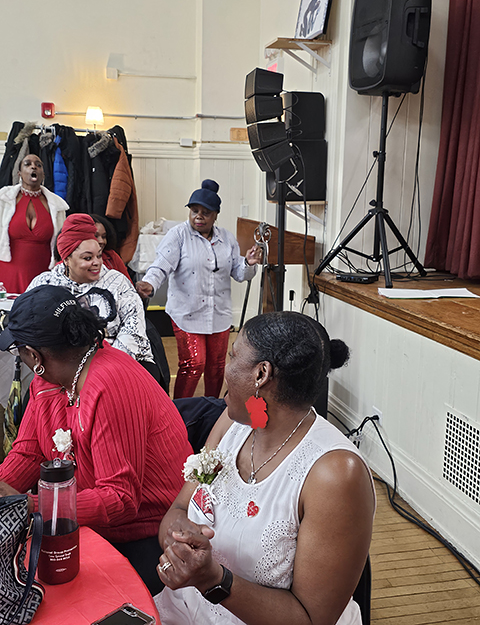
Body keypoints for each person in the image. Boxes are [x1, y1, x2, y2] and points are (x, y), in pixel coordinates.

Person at [155, 311, 375, 625]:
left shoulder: (335, 474)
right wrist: (179, 543)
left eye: (232, 356)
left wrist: (214, 580)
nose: (225, 367)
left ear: (261, 374)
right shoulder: (233, 422)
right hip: (182, 610)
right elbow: (179, 508)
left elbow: (312, 619)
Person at [0, 285, 192, 595]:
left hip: (149, 532)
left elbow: (120, 499)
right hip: (87, 520)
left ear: (34, 355)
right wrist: (4, 492)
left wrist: (30, 505)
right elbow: (29, 452)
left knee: (52, 594)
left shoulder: (110, 384)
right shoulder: (48, 379)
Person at [136, 179, 262, 399]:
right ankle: (180, 411)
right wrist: (150, 283)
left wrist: (249, 263)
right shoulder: (178, 235)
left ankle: (211, 408)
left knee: (216, 366)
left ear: (215, 215)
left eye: (206, 213)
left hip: (219, 314)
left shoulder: (226, 238)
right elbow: (161, 265)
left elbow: (239, 273)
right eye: (194, 211)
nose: (198, 216)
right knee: (194, 364)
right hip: (186, 312)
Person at [28, 213, 157, 376]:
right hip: (62, 371)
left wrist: (100, 371)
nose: (97, 262)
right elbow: (29, 328)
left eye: (99, 255)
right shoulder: (44, 284)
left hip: (120, 367)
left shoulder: (117, 282)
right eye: (88, 258)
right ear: (66, 259)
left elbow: (133, 332)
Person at [0, 154, 69, 292]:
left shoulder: (57, 205)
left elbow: (61, 243)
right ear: (19, 173)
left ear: (43, 174)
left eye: (38, 165)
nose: (34, 167)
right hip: (7, 270)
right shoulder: (3, 199)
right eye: (27, 164)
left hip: (44, 273)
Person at [91, 213, 133, 282]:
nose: (101, 241)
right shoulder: (77, 260)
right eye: (96, 236)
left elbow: (127, 283)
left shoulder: (112, 256)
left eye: (103, 237)